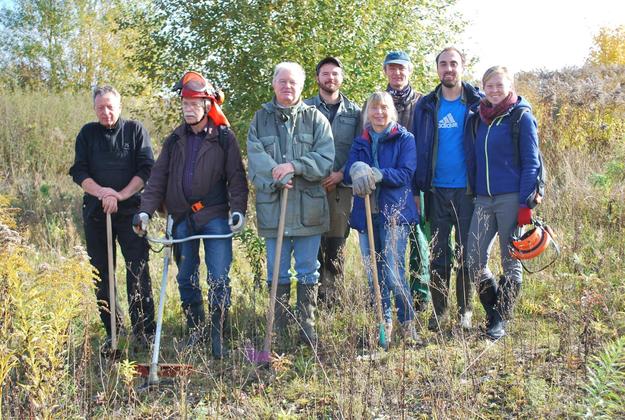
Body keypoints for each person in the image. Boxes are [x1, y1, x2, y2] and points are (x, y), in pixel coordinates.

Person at [133, 71, 248, 358]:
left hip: (215, 216)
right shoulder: (174, 140)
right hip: (182, 218)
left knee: (219, 277)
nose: (188, 109)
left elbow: (236, 178)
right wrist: (145, 212)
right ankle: (195, 331)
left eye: (194, 103)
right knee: (186, 277)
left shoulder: (224, 138)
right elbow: (158, 177)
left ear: (207, 106)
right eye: (185, 104)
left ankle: (218, 336)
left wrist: (238, 211)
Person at [247, 62, 334, 347]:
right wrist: (276, 177)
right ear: (274, 84)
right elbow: (256, 158)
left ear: (301, 86)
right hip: (275, 211)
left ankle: (307, 329)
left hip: (309, 211)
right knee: (277, 272)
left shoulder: (316, 119)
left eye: (293, 82)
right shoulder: (260, 120)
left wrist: (294, 166)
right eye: (282, 81)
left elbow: (325, 159)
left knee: (309, 269)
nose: (287, 86)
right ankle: (280, 331)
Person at [69, 85, 155, 350]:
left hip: (131, 211)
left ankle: (144, 332)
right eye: (100, 108)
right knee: (103, 274)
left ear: (119, 107)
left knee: (137, 269)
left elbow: (146, 168)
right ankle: (113, 332)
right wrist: (103, 193)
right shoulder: (87, 134)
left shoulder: (135, 130)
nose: (105, 112)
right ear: (95, 109)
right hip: (97, 213)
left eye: (110, 107)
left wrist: (119, 195)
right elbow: (79, 171)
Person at [466, 65, 541, 340]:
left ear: (510, 86)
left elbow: (532, 163)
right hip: (484, 199)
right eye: (490, 85)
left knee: (511, 261)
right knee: (473, 259)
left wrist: (524, 204)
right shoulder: (479, 118)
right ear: (483, 88)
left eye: (500, 85)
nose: (495, 90)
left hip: (511, 199)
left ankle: (499, 321)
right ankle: (494, 313)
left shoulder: (520, 116)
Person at [412, 47, 482, 331]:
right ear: (437, 69)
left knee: (467, 253)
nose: (448, 69)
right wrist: (418, 190)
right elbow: (417, 148)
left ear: (462, 67)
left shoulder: (477, 102)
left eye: (454, 63)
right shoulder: (427, 106)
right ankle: (439, 312)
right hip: (436, 192)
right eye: (443, 64)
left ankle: (465, 311)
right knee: (439, 254)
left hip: (467, 192)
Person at [344, 91, 419, 344]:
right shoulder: (360, 141)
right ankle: (383, 323)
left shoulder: (404, 138)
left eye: (383, 108)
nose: (378, 113)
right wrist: (355, 169)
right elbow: (347, 173)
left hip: (394, 214)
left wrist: (377, 174)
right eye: (373, 108)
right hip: (366, 215)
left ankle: (408, 325)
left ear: (391, 111)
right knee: (373, 275)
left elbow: (406, 174)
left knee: (394, 274)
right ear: (368, 112)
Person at [373, 51, 430, 313]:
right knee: (391, 251)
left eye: (401, 69)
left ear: (410, 71)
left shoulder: (423, 103)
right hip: (389, 187)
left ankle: (420, 298)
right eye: (392, 69)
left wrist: (420, 187)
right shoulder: (378, 103)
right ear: (385, 71)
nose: (397, 73)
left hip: (418, 182)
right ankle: (394, 304)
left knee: (420, 243)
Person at [304, 56, 360, 305]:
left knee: (336, 245)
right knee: (312, 245)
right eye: (325, 74)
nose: (330, 78)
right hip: (311, 187)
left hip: (341, 188)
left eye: (335, 73)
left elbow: (360, 149)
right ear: (317, 78)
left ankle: (333, 301)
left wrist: (341, 174)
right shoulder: (304, 109)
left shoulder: (355, 112)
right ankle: (310, 301)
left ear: (342, 77)